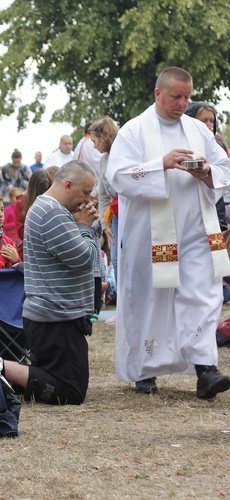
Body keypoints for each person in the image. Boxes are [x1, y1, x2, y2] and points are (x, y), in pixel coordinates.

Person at [106, 67, 230, 397]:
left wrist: (205, 171)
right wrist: (160, 163)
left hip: (196, 231)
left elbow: (223, 167)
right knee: (150, 297)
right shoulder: (133, 131)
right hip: (151, 234)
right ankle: (144, 371)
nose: (182, 103)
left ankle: (206, 369)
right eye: (176, 96)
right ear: (158, 94)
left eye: (187, 97)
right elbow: (116, 176)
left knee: (204, 295)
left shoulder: (197, 130)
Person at [3, 161, 99, 405]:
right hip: (56, 317)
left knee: (65, 384)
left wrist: (81, 226)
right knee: (70, 391)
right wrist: (85, 227)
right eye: (85, 192)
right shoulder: (52, 213)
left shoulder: (51, 209)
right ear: (68, 185)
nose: (88, 199)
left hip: (56, 315)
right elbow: (84, 258)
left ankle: (0, 371)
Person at [184, 102, 228, 231]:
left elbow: (224, 171)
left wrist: (208, 170)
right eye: (204, 121)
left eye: (211, 120)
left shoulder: (216, 146)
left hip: (213, 206)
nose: (209, 124)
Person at [90, 116, 120, 279]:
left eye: (95, 141)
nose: (94, 146)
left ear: (103, 137)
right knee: (115, 260)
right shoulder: (103, 160)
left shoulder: (124, 152)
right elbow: (102, 195)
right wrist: (104, 225)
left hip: (132, 212)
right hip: (116, 215)